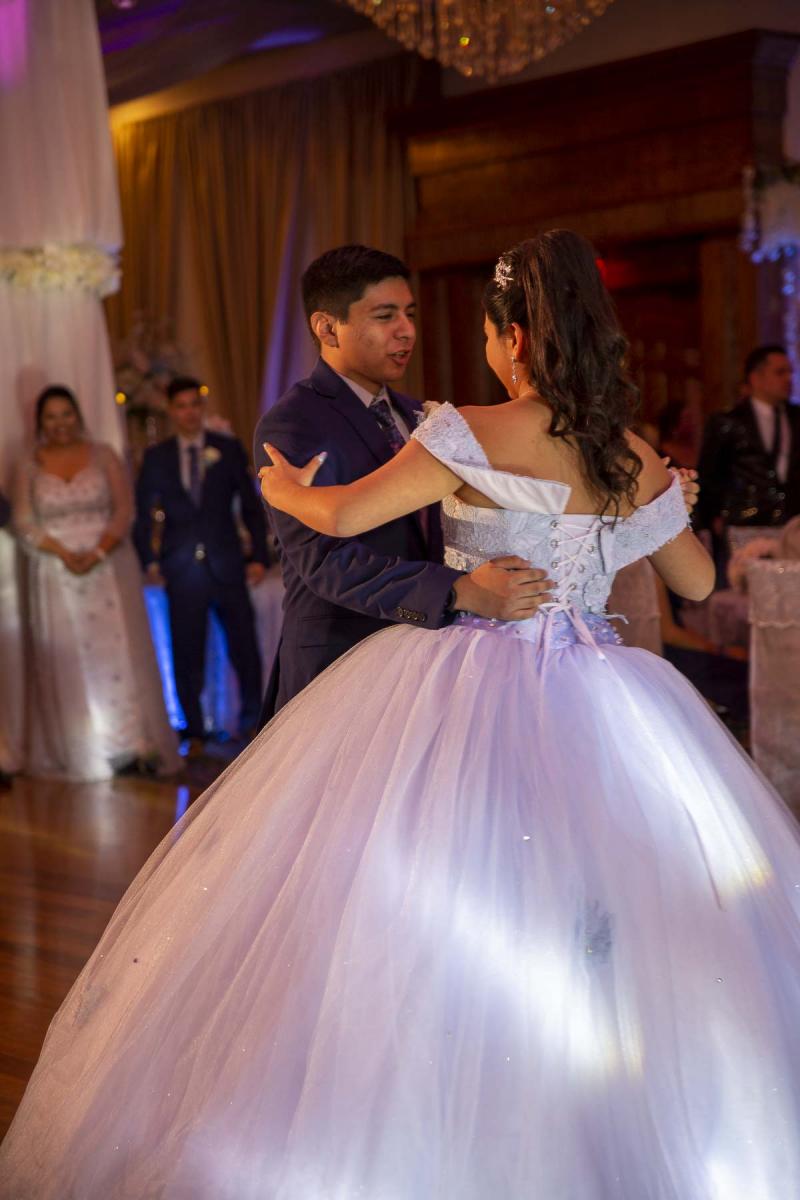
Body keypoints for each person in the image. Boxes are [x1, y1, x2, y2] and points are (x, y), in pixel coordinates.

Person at [6, 231, 800, 1199]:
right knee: (592, 907)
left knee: (437, 902)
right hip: (605, 695)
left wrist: (281, 487)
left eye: (480, 331)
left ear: (514, 338)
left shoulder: (467, 430)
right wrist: (662, 505)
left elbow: (341, 516)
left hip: (472, 684)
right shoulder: (630, 453)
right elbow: (698, 582)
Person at [253, 245, 553, 721]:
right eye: (384, 316)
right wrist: (457, 590)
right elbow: (326, 562)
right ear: (327, 328)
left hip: (429, 658)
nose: (407, 330)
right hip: (341, 659)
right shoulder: (294, 422)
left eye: (409, 314)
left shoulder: (420, 414)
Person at [11, 386, 180, 781]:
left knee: (118, 654)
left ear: (78, 415)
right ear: (40, 422)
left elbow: (124, 509)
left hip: (107, 567)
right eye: (51, 416)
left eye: (66, 414)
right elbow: (24, 520)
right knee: (71, 657)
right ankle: (89, 748)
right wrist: (62, 552)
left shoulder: (103, 455)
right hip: (55, 572)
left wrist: (99, 551)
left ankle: (133, 745)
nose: (60, 423)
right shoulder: (28, 463)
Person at [133, 377, 268, 746]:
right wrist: (149, 561)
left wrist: (259, 555)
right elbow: (143, 514)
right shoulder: (157, 457)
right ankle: (193, 730)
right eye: (182, 406)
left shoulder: (226, 448)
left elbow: (251, 506)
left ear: (202, 408)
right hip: (181, 568)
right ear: (171, 411)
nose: (189, 413)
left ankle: (254, 723)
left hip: (227, 563)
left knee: (244, 647)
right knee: (187, 650)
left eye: (195, 404)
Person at [697, 343, 800, 538]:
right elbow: (710, 473)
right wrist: (713, 517)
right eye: (780, 372)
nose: (788, 379)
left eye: (790, 372)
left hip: (792, 522)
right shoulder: (728, 421)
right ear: (756, 378)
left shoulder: (795, 418)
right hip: (745, 521)